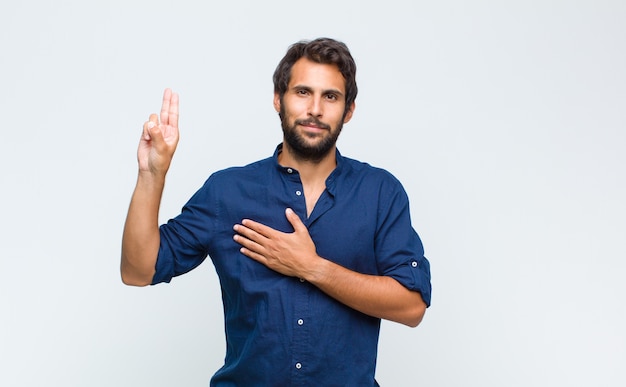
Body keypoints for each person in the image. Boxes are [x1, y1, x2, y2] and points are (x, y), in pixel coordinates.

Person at [121, 37, 431, 386]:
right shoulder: (227, 192)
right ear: (277, 99)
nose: (315, 108)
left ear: (349, 110)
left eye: (330, 96)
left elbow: (412, 306)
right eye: (302, 92)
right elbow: (138, 270)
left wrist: (313, 268)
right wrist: (152, 174)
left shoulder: (379, 193)